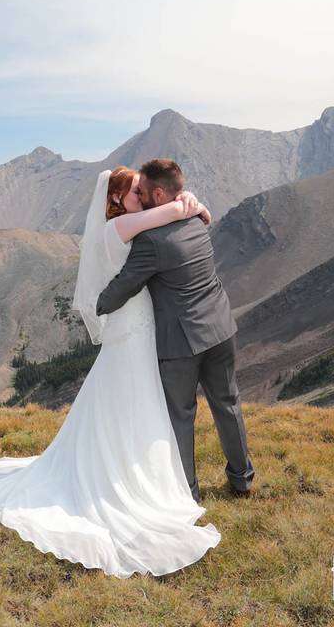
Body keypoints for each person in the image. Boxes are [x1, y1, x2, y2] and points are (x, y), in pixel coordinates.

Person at [0, 166, 221, 578]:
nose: (142, 194)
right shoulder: (120, 228)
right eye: (135, 190)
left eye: (141, 188)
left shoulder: (119, 223)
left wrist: (189, 203)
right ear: (116, 199)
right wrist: (194, 205)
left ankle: (143, 469)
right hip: (133, 327)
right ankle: (133, 479)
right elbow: (168, 212)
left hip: (135, 324)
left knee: (130, 400)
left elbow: (166, 210)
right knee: (133, 399)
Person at [97, 159, 255, 502]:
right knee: (228, 403)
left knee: (182, 417)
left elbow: (123, 287)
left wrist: (97, 305)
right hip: (221, 327)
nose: (138, 197)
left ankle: (189, 493)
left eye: (141, 192)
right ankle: (242, 478)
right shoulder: (197, 218)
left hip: (182, 343)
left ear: (157, 193)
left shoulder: (151, 240)